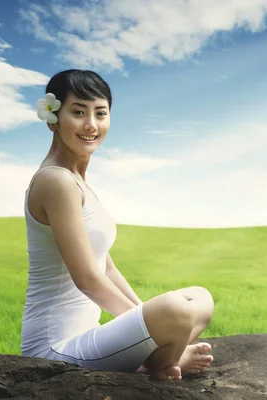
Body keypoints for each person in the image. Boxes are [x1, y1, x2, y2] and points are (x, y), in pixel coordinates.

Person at [21, 69, 214, 381]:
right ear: (53, 119)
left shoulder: (79, 183)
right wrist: (154, 324)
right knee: (175, 311)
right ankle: (164, 359)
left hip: (91, 334)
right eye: (78, 112)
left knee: (199, 298)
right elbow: (87, 279)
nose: (91, 125)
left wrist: (147, 319)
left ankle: (158, 356)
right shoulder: (55, 181)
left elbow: (106, 267)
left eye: (100, 113)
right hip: (54, 349)